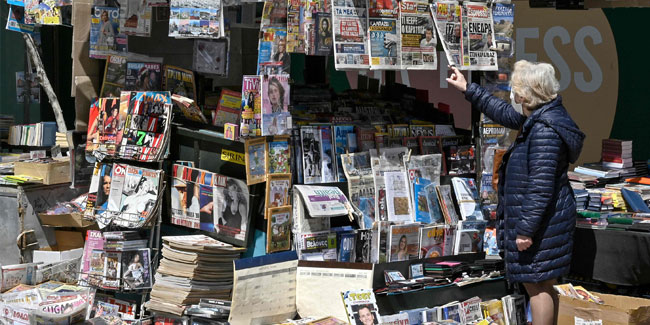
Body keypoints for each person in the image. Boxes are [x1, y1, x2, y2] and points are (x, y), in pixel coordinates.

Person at [446, 60, 585, 325]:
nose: (514, 94)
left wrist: (525, 230)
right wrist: (468, 88)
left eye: (517, 90)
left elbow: (540, 186)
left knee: (537, 285)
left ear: (529, 94)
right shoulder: (541, 115)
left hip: (542, 225)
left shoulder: (545, 130)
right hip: (545, 222)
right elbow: (505, 113)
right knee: (544, 282)